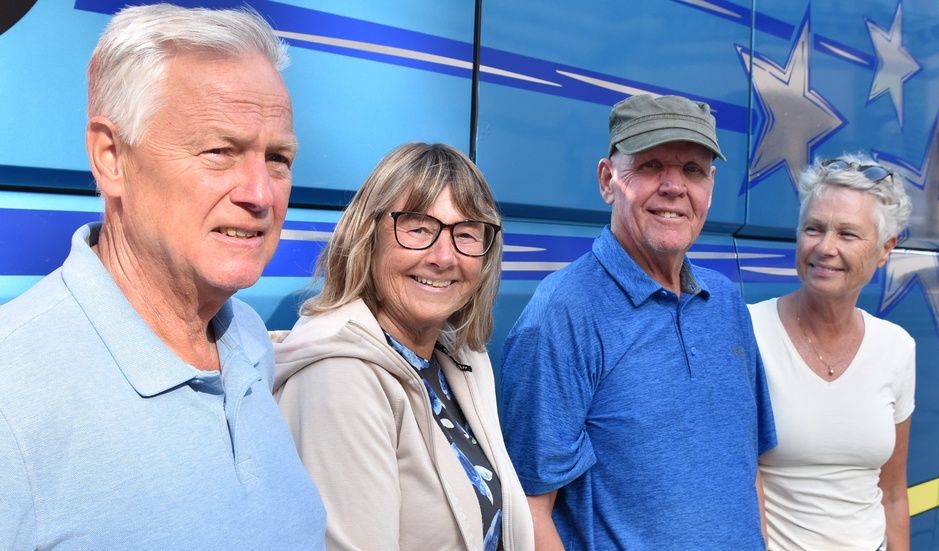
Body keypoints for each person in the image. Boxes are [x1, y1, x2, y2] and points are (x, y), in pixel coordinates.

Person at [0, 4, 326, 548]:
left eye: (278, 158)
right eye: (220, 151)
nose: (260, 194)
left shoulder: (245, 337)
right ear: (111, 157)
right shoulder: (12, 392)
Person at [498, 94, 777, 550]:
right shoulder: (564, 312)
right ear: (608, 180)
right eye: (649, 166)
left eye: (692, 169)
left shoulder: (725, 301)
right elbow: (528, 511)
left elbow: (746, 471)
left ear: (710, 186)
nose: (673, 187)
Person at [273, 142, 535, 550]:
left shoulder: (457, 363)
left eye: (466, 233)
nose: (444, 256)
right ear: (368, 236)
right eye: (419, 229)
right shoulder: (340, 379)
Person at [749, 154, 915, 551]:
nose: (825, 247)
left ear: (884, 249)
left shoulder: (897, 347)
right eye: (813, 228)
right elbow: (739, 484)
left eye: (847, 234)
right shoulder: (749, 331)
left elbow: (893, 493)